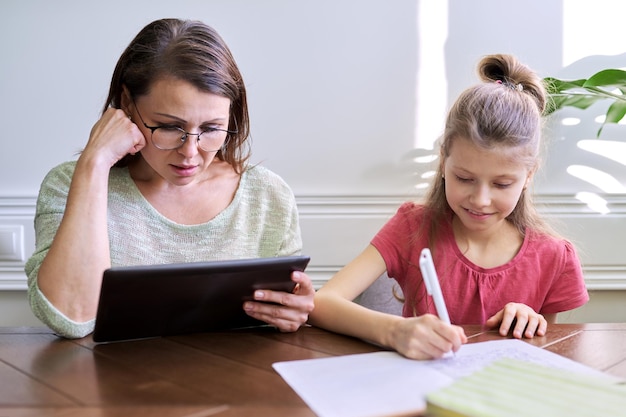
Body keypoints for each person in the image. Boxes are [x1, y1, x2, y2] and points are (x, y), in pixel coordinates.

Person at [24, 18, 315, 339]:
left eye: (210, 129)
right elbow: (70, 318)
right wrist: (95, 164)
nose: (190, 152)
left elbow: (281, 313)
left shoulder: (267, 195)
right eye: (169, 127)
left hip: (236, 381)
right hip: (110, 385)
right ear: (126, 103)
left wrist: (293, 311)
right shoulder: (69, 184)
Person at [308, 54, 589, 360]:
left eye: (501, 184)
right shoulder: (412, 228)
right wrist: (395, 331)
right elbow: (322, 304)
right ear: (443, 163)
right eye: (464, 178)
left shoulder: (555, 258)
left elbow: (549, 350)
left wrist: (530, 319)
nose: (480, 199)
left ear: (529, 175)